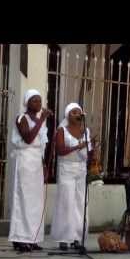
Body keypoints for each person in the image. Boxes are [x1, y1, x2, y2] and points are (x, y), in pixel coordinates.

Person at [8, 89, 53, 252]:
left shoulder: (40, 120)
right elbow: (28, 138)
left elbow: (41, 145)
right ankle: (19, 239)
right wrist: (41, 120)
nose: (39, 104)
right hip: (25, 161)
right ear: (27, 102)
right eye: (35, 100)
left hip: (36, 163)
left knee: (35, 202)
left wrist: (45, 166)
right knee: (24, 200)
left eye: (40, 101)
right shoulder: (22, 118)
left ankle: (32, 238)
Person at [50, 103, 93, 251]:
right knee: (66, 203)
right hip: (66, 169)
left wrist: (91, 151)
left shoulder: (85, 131)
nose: (77, 114)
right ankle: (64, 238)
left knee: (80, 204)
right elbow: (60, 151)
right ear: (68, 115)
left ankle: (77, 237)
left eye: (79, 112)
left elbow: (89, 153)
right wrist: (77, 147)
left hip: (81, 170)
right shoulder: (62, 130)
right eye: (74, 112)